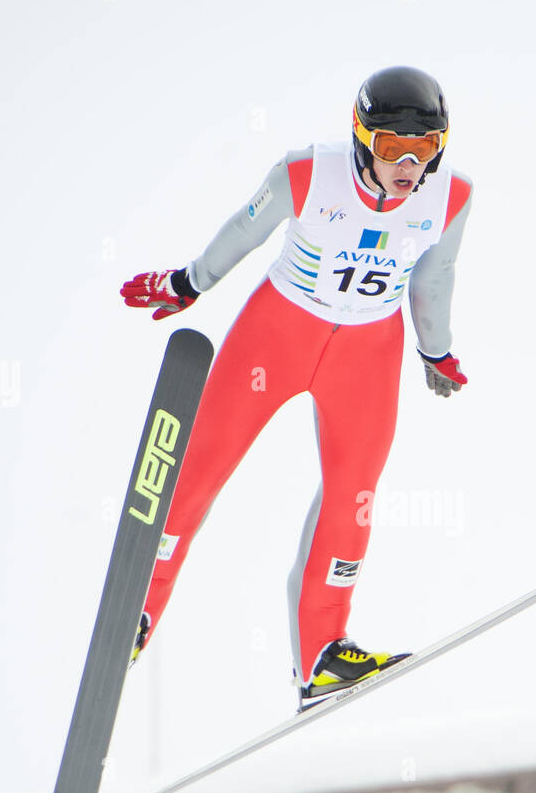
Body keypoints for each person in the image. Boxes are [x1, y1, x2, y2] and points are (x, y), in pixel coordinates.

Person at [121, 65, 473, 708]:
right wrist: (189, 282)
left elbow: (435, 278)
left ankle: (321, 655)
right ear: (363, 138)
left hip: (367, 352)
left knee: (355, 495)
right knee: (199, 470)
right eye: (392, 145)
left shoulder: (450, 196)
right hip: (278, 334)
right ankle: (136, 613)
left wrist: (437, 351)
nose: (408, 164)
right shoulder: (308, 172)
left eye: (424, 149)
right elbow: (244, 230)